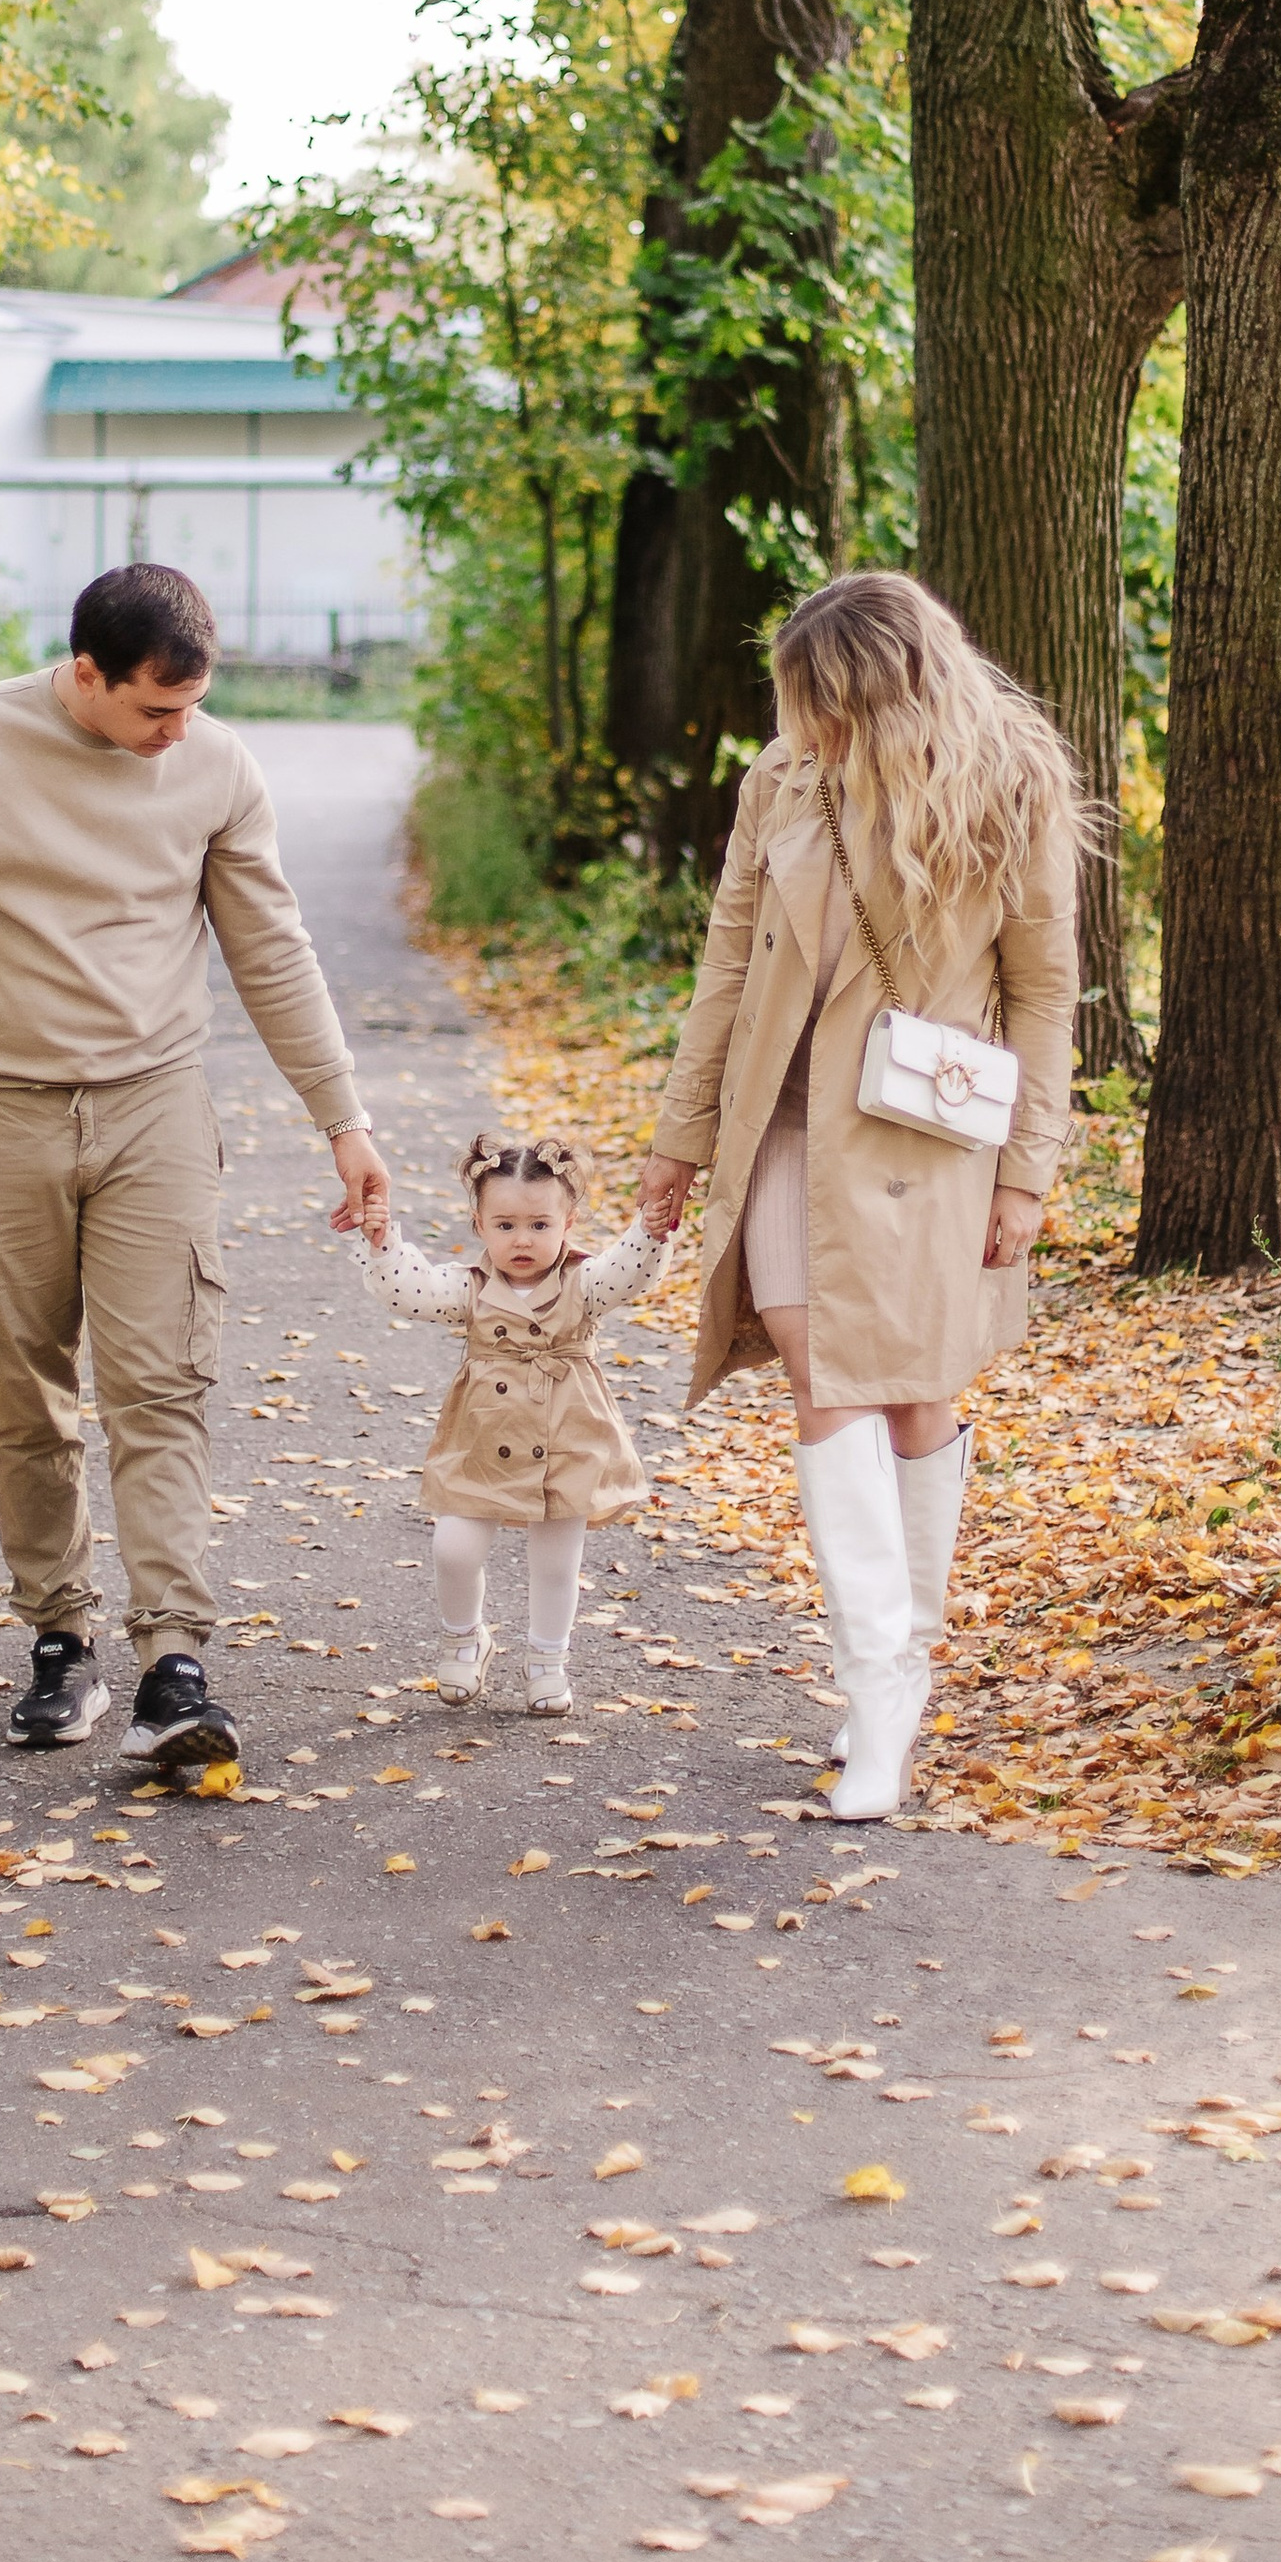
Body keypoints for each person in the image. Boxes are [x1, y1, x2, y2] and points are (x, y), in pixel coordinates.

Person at [0, 561, 388, 1782]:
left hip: (154, 1112)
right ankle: (59, 1639)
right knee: (21, 1389)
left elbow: (271, 950)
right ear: (85, 673)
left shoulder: (217, 769)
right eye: (153, 710)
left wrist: (339, 1117)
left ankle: (174, 1660)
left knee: (163, 1381)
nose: (174, 733)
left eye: (191, 707)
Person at [638, 572, 1078, 1820]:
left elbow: (1045, 994)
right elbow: (728, 965)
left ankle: (905, 1660)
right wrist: (679, 1140)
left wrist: (1028, 1175)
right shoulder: (779, 782)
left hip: (926, 1130)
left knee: (917, 1392)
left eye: (818, 707)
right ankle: (876, 1689)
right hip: (782, 1113)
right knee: (819, 1365)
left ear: (880, 697)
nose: (799, 729)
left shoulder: (1012, 789)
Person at [361, 1133, 666, 1713]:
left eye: (538, 1225)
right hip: (483, 1436)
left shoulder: (583, 1283)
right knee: (454, 1546)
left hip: (568, 1435)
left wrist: (649, 1230)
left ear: (568, 1222)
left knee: (555, 1560)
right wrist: (382, 1242)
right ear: (479, 1224)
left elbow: (630, 1274)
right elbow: (411, 1292)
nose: (522, 1239)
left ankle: (548, 1661)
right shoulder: (469, 1288)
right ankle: (464, 1639)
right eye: (504, 1226)